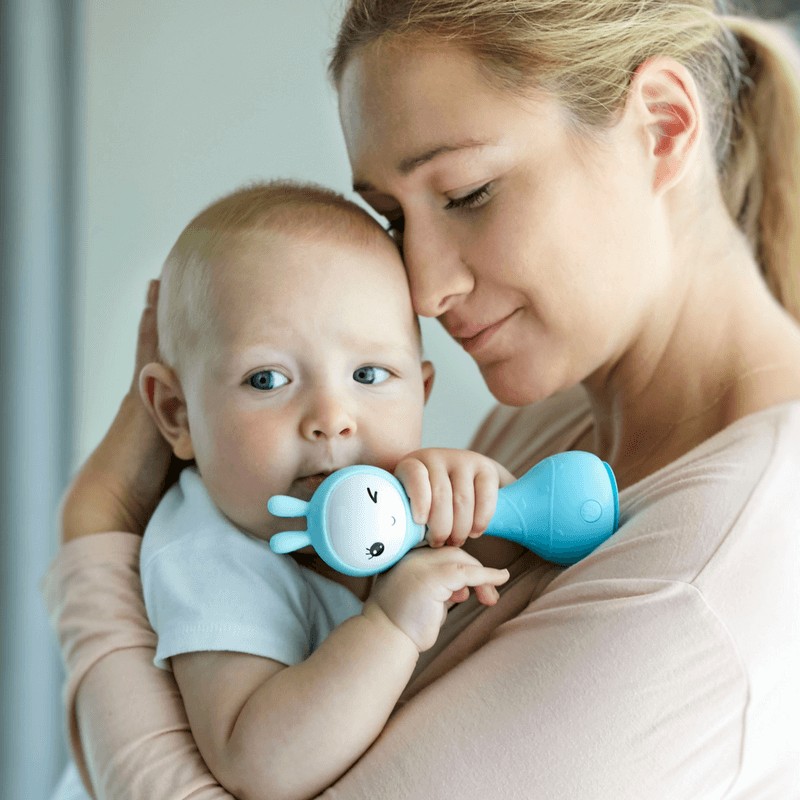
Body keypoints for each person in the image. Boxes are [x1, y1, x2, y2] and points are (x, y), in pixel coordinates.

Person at [42, 1, 800, 797]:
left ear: (663, 126)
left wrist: (95, 531)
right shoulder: (544, 422)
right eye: (393, 219)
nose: (425, 290)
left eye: (468, 192)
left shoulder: (718, 575)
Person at [52, 180, 516, 800]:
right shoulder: (209, 552)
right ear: (177, 415)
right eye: (267, 379)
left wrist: (484, 500)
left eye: (369, 374)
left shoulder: (396, 501)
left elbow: (511, 579)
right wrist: (389, 626)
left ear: (421, 393)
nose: (332, 417)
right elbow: (260, 764)